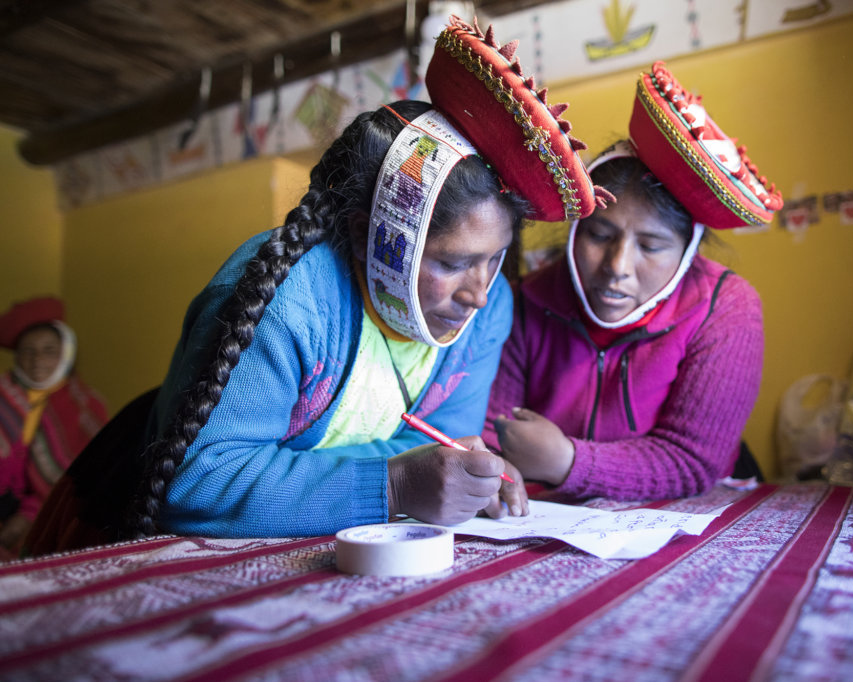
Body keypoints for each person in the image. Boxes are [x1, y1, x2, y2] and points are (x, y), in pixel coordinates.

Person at [25, 17, 607, 553]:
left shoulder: (491, 306)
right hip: (121, 525)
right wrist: (394, 483)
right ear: (368, 238)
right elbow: (199, 480)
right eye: (453, 262)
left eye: (494, 258)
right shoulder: (286, 296)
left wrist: (302, 468)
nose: (479, 292)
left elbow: (449, 442)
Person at [485, 61, 784, 501]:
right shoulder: (528, 302)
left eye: (651, 246)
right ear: (574, 232)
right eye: (599, 236)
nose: (617, 266)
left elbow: (691, 461)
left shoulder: (726, 307)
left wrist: (567, 461)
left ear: (687, 252)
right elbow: (494, 432)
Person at [0, 297, 107, 555]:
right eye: (27, 351)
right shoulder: (4, 394)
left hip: (50, 513)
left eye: (49, 351)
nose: (37, 360)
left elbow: (85, 479)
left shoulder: (87, 407)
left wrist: (28, 515)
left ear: (66, 353)